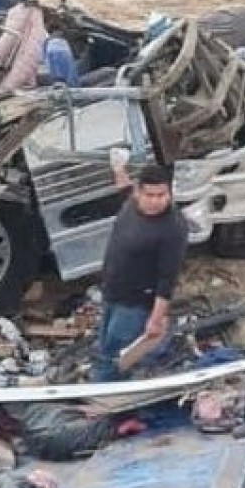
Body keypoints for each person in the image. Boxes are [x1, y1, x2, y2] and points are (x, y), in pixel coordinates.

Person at [93, 162, 188, 381]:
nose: (155, 201)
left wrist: (156, 319)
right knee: (104, 345)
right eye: (149, 195)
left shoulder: (173, 228)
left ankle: (106, 402)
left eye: (161, 195)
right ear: (138, 192)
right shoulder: (131, 204)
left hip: (135, 303)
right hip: (112, 292)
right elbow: (124, 190)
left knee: (116, 355)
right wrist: (119, 170)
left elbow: (168, 278)